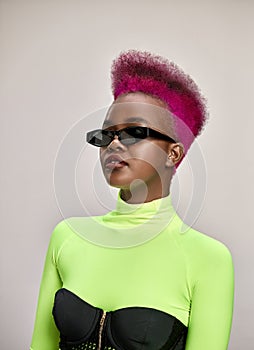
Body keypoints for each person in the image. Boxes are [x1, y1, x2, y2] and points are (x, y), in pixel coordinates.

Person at [30, 50, 234, 350]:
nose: (113, 144)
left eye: (134, 132)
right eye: (105, 135)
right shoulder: (67, 237)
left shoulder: (208, 259)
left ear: (173, 154)